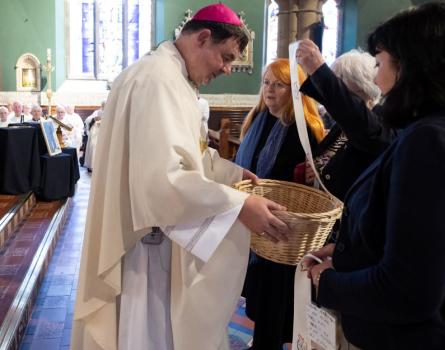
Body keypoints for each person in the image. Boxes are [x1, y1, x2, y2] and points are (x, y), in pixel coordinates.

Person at [71, 4, 290, 350]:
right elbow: (162, 181)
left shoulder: (170, 77)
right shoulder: (158, 80)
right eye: (226, 56)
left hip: (151, 236)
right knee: (151, 335)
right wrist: (239, 205)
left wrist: (230, 173)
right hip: (146, 247)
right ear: (203, 37)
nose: (228, 68)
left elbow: (186, 152)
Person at [303, 3, 445, 349]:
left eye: (380, 63)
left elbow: (408, 289)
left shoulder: (434, 141)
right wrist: (348, 254)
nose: (375, 79)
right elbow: (425, 244)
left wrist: (326, 281)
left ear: (412, 67)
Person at [235, 58, 324, 350]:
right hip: (253, 220)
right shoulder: (257, 120)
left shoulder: (304, 128)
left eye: (279, 84)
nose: (269, 90)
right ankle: (262, 340)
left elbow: (314, 178)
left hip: (285, 227)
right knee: (259, 292)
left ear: (296, 91)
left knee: (276, 295)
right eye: (266, 82)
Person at [297, 44, 397, 200]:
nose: (336, 93)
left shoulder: (379, 123)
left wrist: (319, 70)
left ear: (362, 86)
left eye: (340, 81)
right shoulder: (342, 125)